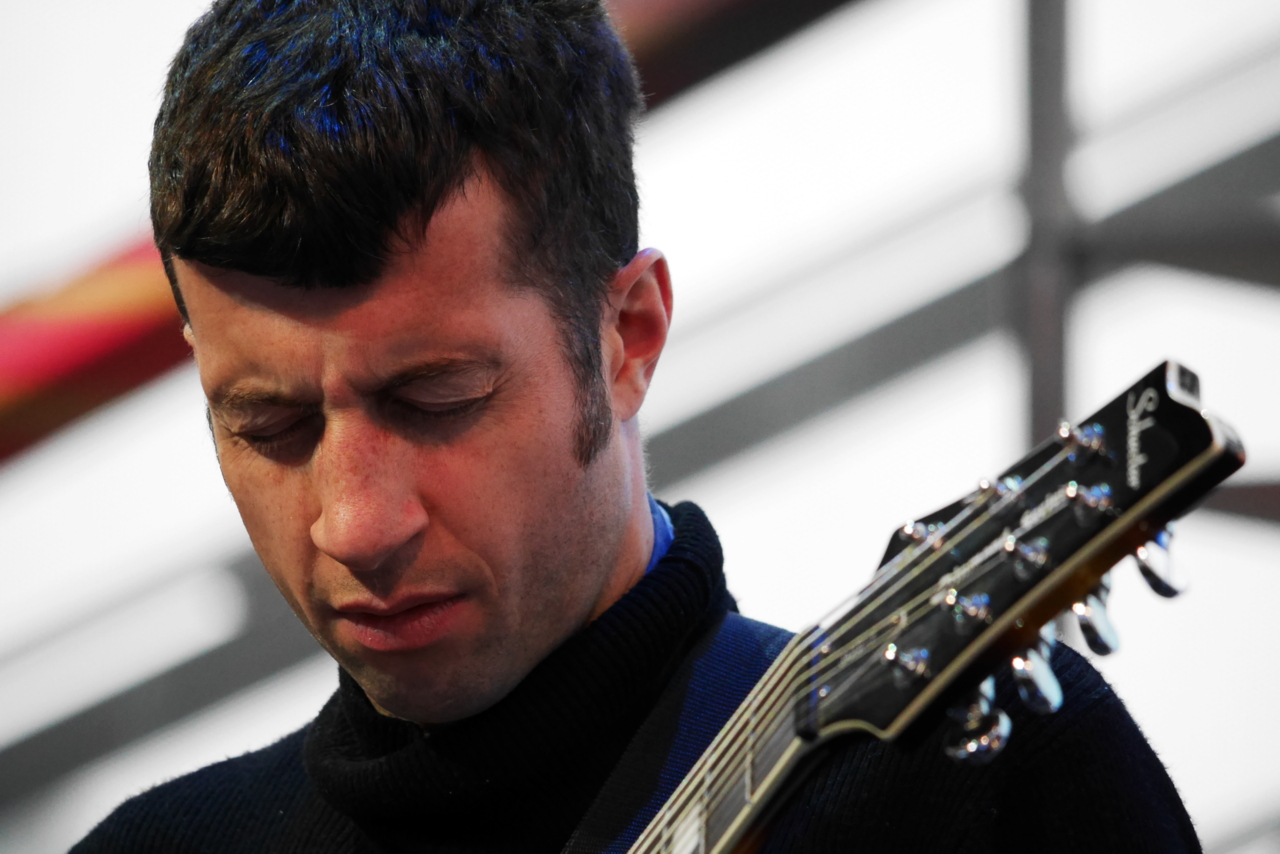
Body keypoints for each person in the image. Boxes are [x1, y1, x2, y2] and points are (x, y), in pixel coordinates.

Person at [74, 1, 1200, 851]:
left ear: (627, 336)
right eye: (267, 424)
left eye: (436, 398)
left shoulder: (962, 787)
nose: (355, 524)